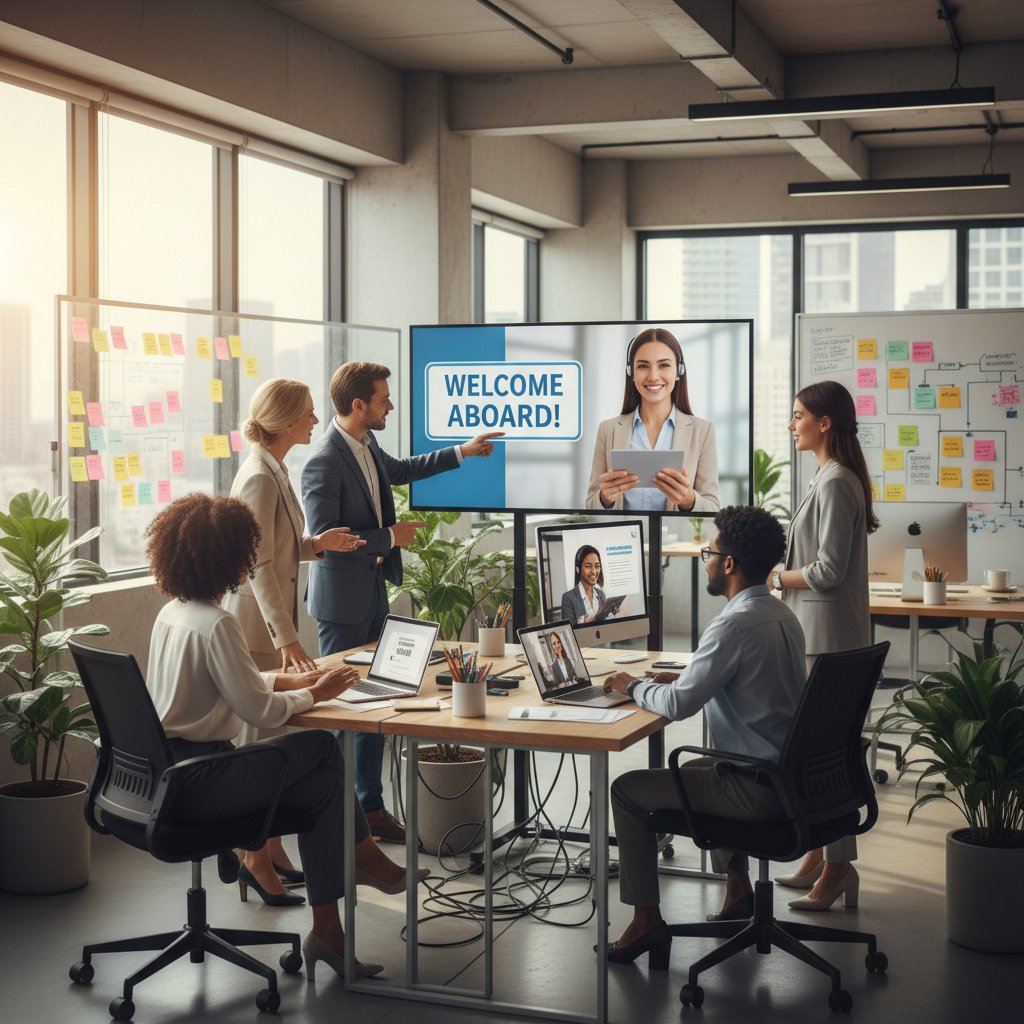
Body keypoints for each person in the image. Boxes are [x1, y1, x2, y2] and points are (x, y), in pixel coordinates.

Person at [145, 493, 427, 981]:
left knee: (322, 788)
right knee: (320, 747)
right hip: (203, 780)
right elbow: (257, 709)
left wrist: (285, 679)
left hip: (170, 774)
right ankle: (362, 858)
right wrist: (315, 693)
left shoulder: (173, 613)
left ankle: (329, 931)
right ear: (231, 558)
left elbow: (229, 682)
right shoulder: (219, 624)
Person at [301, 361, 502, 842]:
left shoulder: (366, 443)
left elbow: (401, 470)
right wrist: (390, 537)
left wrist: (462, 451)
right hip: (342, 604)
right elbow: (328, 538)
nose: (390, 405)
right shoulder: (322, 461)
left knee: (380, 701)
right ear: (358, 405)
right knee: (345, 712)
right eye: (383, 399)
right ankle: (341, 818)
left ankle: (370, 809)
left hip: (373, 591)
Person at [600, 505, 805, 968]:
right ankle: (738, 889)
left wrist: (630, 686)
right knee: (699, 766)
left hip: (756, 789)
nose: (705, 560)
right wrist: (687, 677)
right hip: (790, 777)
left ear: (729, 563)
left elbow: (678, 706)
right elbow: (748, 679)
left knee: (627, 791)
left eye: (708, 553)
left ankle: (645, 921)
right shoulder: (781, 615)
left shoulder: (731, 624)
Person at [222, 378, 366, 904]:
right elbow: (258, 565)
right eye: (307, 413)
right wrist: (286, 639)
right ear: (285, 421)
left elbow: (278, 547)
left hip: (270, 623)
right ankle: (254, 858)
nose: (315, 420)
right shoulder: (259, 476)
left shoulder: (274, 467)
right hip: (258, 629)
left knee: (273, 744)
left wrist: (315, 545)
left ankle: (271, 849)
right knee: (262, 750)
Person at [768, 380, 878, 912]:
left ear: (824, 422)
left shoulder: (836, 482)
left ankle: (838, 868)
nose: (792, 425)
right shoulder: (827, 476)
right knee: (817, 752)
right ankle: (820, 853)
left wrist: (776, 578)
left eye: (798, 416)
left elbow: (828, 571)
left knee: (825, 756)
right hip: (822, 635)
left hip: (828, 640)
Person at [586, 327, 719, 513]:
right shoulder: (608, 430)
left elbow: (713, 508)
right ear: (631, 373)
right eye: (643, 366)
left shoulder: (702, 431)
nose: (653, 376)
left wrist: (689, 500)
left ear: (679, 371)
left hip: (674, 534)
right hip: (626, 532)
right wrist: (605, 498)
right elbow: (590, 506)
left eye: (664, 365)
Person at [560, 545, 606, 624]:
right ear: (578, 569)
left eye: (597, 566)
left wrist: (610, 612)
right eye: (588, 566)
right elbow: (569, 629)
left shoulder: (601, 595)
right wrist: (586, 620)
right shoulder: (568, 598)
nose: (594, 571)